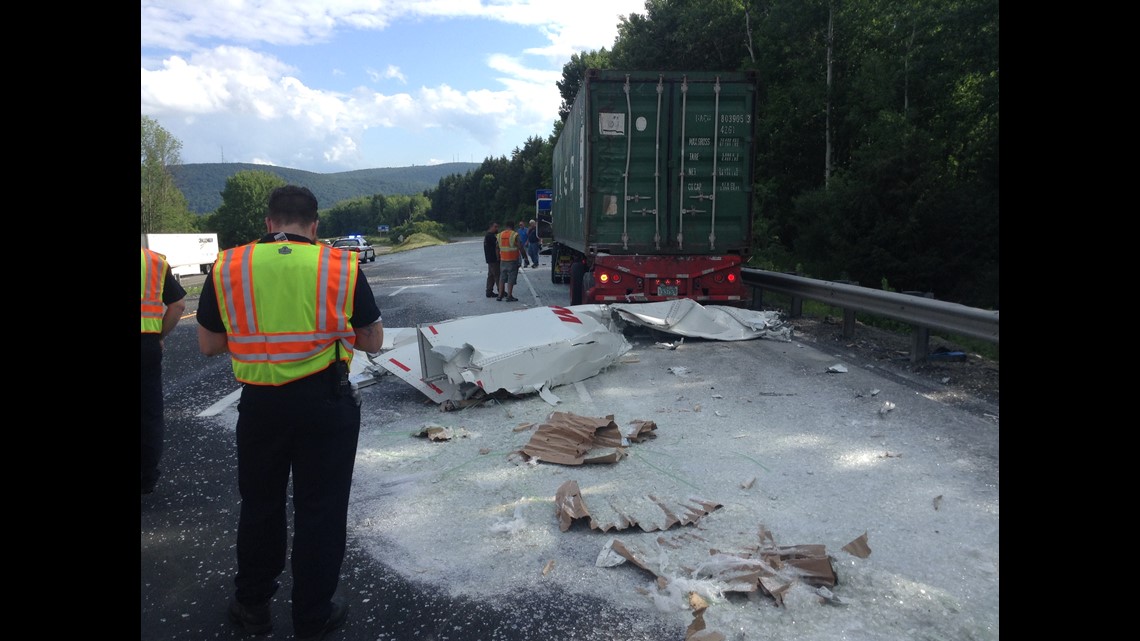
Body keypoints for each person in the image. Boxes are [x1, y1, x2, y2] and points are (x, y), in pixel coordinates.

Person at [196, 185, 383, 641]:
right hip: (325, 403)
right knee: (320, 509)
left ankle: (253, 605)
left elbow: (208, 344)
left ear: (268, 223)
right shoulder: (339, 264)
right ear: (314, 226)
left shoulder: (229, 265)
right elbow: (372, 341)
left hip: (261, 405)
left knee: (260, 505)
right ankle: (312, 615)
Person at [141, 246, 187, 495]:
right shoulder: (153, 261)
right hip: (145, 344)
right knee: (148, 412)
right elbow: (179, 305)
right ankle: (146, 476)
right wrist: (159, 335)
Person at [497, 221, 521, 302]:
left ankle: (500, 295)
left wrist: (498, 257)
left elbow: (497, 247)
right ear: (513, 226)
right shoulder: (514, 235)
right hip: (512, 259)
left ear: (506, 226)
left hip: (503, 259)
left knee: (502, 277)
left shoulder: (500, 235)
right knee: (511, 277)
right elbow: (520, 246)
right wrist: (525, 257)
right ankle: (509, 296)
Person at [483, 221, 500, 298]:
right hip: (493, 258)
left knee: (491, 275)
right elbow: (497, 246)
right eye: (495, 227)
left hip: (490, 259)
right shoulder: (490, 236)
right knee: (497, 275)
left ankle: (489, 291)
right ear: (491, 227)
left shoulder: (488, 235)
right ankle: (501, 290)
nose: (497, 228)